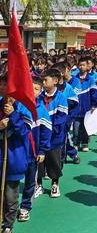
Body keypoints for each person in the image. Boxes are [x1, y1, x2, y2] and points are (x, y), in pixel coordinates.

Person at [0, 72, 33, 233]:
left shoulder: (24, 108)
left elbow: (25, 132)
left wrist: (12, 115)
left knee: (10, 195)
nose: (2, 87)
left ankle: (7, 224)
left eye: (5, 85)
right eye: (1, 84)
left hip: (14, 159)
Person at [18, 76, 52, 222]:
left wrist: (43, 150)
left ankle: (25, 207)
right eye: (30, 88)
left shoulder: (42, 111)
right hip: (16, 151)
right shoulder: (17, 106)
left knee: (30, 181)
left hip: (33, 152)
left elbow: (46, 132)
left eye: (36, 89)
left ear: (41, 91)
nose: (33, 91)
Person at [38, 69, 68, 198]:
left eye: (46, 80)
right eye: (42, 80)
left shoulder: (61, 97)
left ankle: (55, 183)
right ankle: (38, 184)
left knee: (54, 161)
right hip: (40, 136)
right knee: (39, 161)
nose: (43, 83)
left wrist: (49, 129)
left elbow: (61, 118)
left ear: (55, 81)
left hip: (55, 137)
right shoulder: (39, 97)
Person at [72, 57, 97, 152]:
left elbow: (94, 93)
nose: (81, 67)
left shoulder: (90, 79)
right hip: (76, 109)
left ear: (87, 66)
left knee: (85, 127)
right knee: (76, 128)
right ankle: (75, 143)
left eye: (83, 65)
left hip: (87, 108)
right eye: (80, 65)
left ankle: (85, 143)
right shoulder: (74, 78)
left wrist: (94, 104)